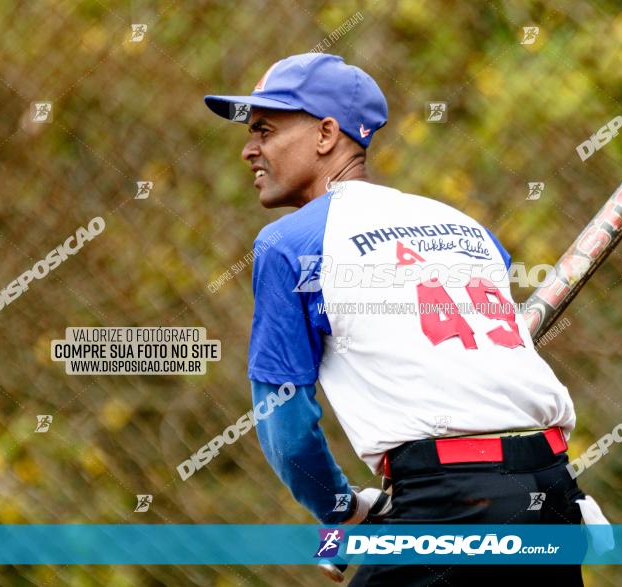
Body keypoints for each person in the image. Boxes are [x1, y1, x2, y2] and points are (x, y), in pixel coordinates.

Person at [205, 52, 594, 586]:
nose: (250, 150)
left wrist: (342, 511)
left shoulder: (290, 245)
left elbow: (286, 428)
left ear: (325, 134)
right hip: (549, 489)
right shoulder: (466, 227)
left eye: (266, 130)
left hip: (449, 503)